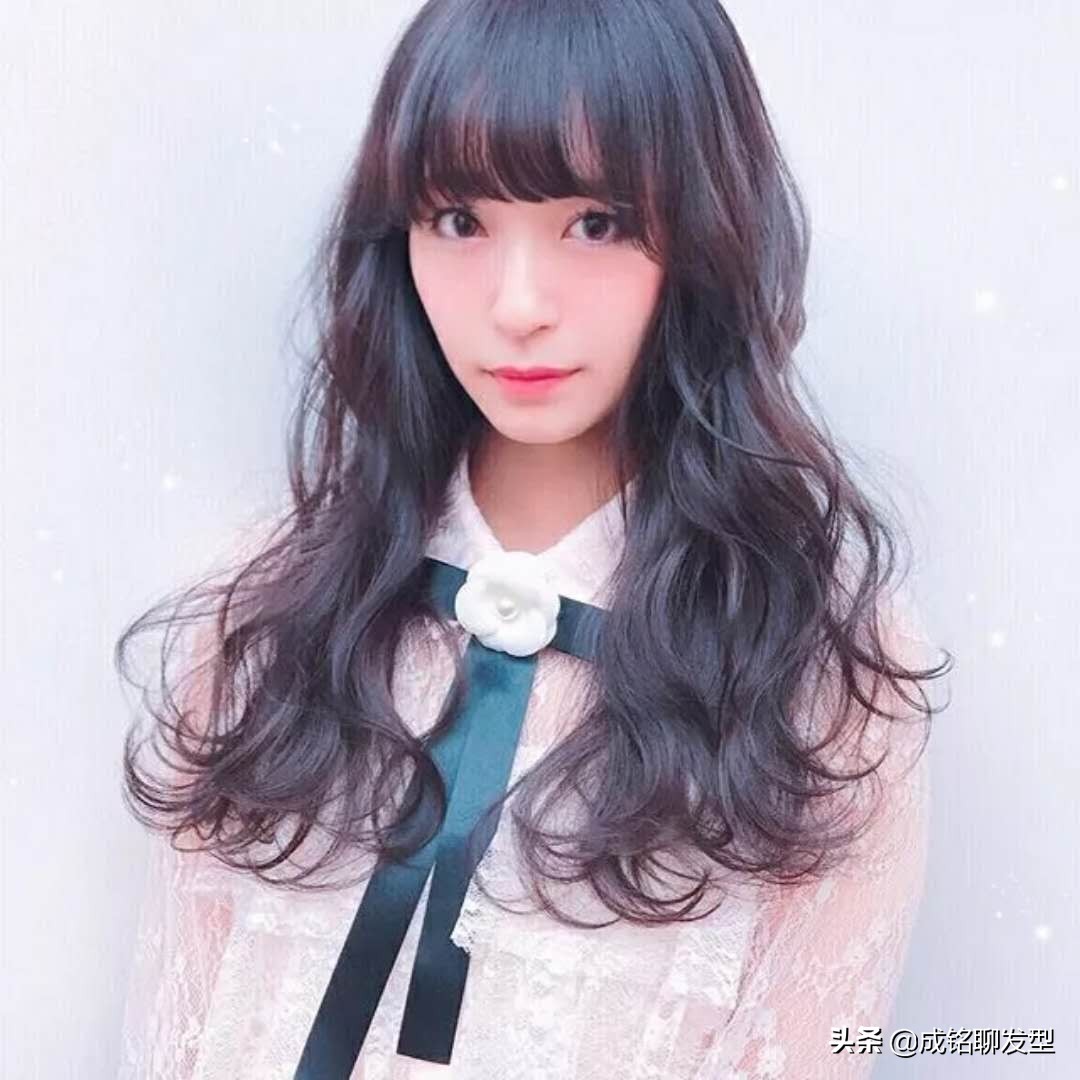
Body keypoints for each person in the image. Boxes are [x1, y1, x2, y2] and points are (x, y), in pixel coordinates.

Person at [114, 1, 953, 1077]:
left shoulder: (825, 676)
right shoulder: (263, 615)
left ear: (705, 230)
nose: (517, 305)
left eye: (595, 222)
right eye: (459, 219)